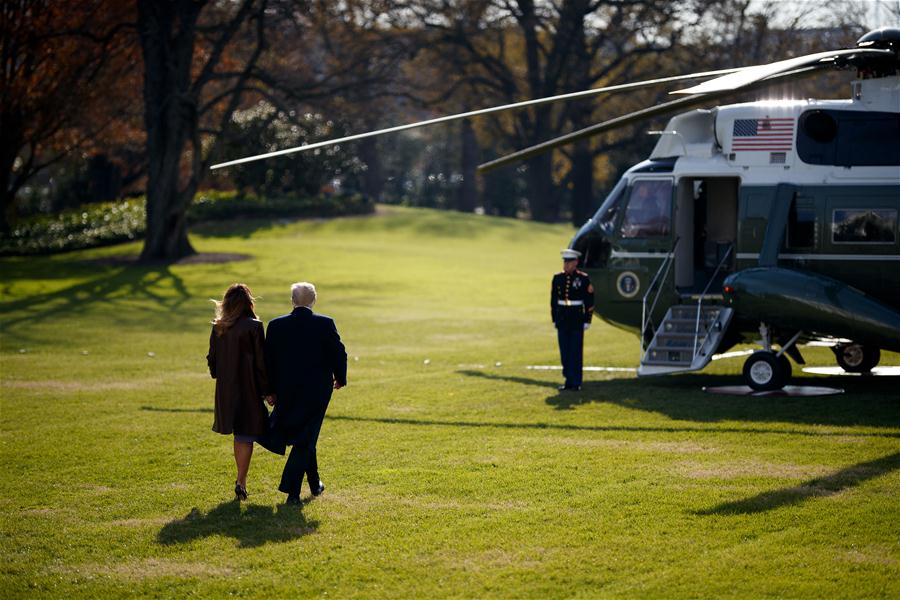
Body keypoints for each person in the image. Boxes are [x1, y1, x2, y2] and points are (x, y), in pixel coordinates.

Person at [265, 282, 347, 505]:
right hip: (317, 390)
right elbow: (339, 353)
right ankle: (292, 492)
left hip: (286, 389)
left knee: (307, 435)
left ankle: (314, 482)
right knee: (306, 437)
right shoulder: (325, 324)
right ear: (314, 300)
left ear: (292, 300)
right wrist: (340, 377)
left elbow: (268, 361)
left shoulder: (275, 326)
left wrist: (269, 390)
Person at [206, 283, 270, 501]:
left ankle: (241, 480)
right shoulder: (254, 326)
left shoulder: (219, 327)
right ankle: (241, 480)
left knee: (239, 435)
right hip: (249, 388)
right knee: (245, 435)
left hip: (226, 390)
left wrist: (220, 375)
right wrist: (268, 391)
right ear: (248, 302)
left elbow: (212, 360)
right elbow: (261, 364)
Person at [550, 249, 594, 391]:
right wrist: (554, 318)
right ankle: (569, 379)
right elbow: (553, 300)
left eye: (569, 262)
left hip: (576, 317)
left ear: (576, 262)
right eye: (565, 262)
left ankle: (575, 382)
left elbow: (589, 300)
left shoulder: (583, 279)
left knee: (575, 351)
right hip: (562, 317)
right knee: (565, 351)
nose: (566, 265)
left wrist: (587, 319)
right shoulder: (557, 278)